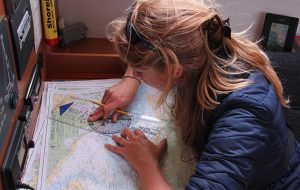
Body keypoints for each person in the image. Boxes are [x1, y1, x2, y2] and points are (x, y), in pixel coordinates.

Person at [89, 0, 300, 189]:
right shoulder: (199, 50)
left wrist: (147, 165)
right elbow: (149, 48)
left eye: (140, 71)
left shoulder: (245, 117)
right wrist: (131, 80)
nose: (136, 73)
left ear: (174, 71)